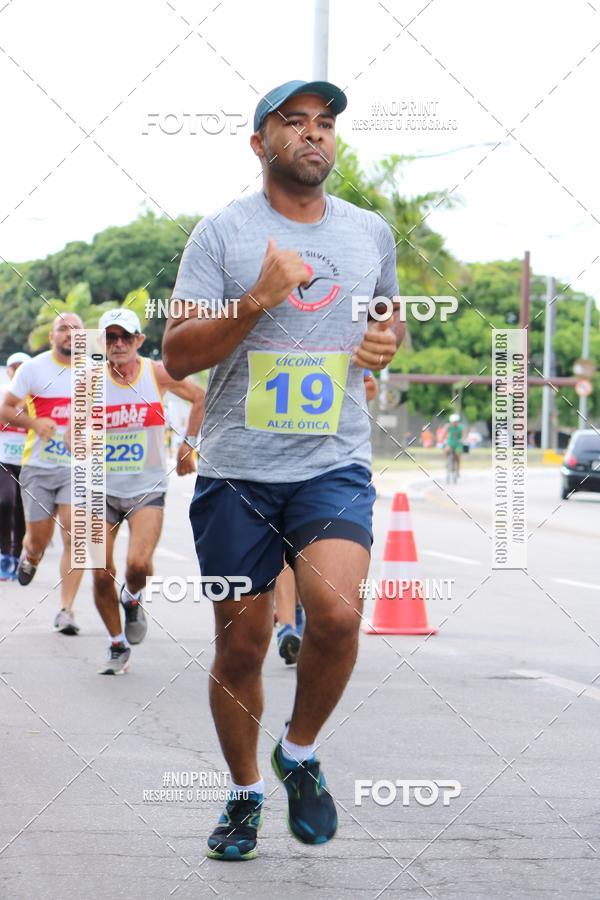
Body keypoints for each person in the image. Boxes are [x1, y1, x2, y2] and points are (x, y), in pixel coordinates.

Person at [163, 79, 404, 860]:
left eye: (325, 124)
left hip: (332, 458)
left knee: (334, 615)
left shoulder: (370, 233)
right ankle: (242, 795)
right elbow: (177, 353)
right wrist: (256, 302)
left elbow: (385, 317)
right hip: (237, 470)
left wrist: (387, 342)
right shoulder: (222, 235)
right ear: (260, 143)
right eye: (294, 122)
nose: (313, 135)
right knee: (242, 644)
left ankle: (297, 754)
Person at [92, 308, 205, 675]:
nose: (119, 344)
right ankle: (116, 643)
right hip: (99, 489)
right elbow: (73, 431)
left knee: (138, 565)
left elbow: (200, 397)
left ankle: (132, 596)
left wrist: (188, 444)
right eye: (111, 337)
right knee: (98, 569)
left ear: (139, 340)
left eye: (126, 336)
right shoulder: (89, 382)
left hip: (147, 488)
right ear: (103, 343)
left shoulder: (156, 373)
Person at [274, 370, 377, 666]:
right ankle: (287, 629)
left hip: (325, 469)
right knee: (281, 552)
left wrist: (333, 401)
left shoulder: (335, 332)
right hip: (268, 466)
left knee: (313, 561)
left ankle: (296, 614)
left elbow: (369, 385)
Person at [0, 315, 85, 634]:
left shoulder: (94, 373)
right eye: (64, 329)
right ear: (52, 336)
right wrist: (36, 424)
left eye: (76, 329)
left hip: (75, 467)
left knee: (74, 536)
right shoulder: (32, 369)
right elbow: (6, 408)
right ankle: (31, 556)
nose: (70, 334)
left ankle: (67, 610)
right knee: (38, 539)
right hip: (37, 466)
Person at [0, 352, 31, 580]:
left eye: (23, 367)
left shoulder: (37, 399)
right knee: (5, 502)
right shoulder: (3, 396)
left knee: (22, 511)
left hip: (29, 462)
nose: (18, 370)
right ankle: (4, 553)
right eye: (15, 367)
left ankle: (16, 555)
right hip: (3, 460)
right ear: (9, 371)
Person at [444, 413, 465, 477]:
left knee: (458, 455)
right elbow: (444, 433)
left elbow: (463, 435)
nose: (454, 423)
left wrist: (462, 439)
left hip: (458, 444)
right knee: (446, 450)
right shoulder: (449, 427)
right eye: (453, 422)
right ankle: (447, 462)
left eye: (456, 422)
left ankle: (457, 470)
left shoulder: (461, 427)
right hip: (450, 443)